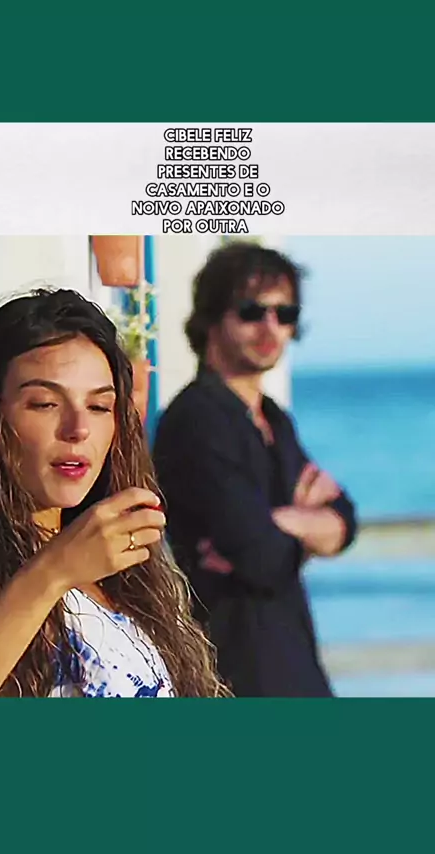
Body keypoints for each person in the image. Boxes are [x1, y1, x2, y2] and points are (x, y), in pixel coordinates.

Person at [0, 287, 230, 698]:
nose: (78, 429)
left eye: (99, 407)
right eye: (45, 403)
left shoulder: (118, 569)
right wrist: (52, 573)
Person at [153, 241, 358, 698]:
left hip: (297, 665)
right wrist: (303, 527)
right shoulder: (196, 420)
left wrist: (279, 521)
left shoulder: (274, 420)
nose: (270, 327)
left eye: (285, 314)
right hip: (234, 672)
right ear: (212, 317)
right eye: (251, 311)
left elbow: (346, 520)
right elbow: (261, 559)